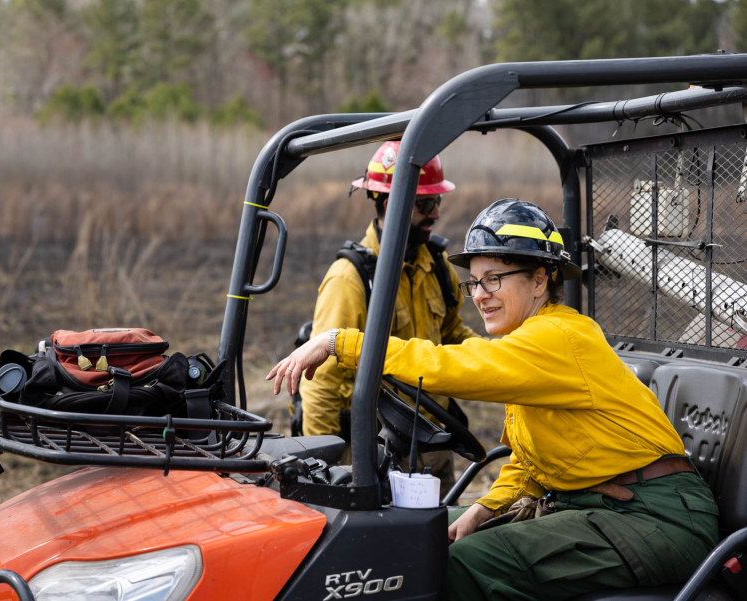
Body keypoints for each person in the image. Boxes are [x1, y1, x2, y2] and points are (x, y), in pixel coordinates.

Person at [268, 198, 718, 601]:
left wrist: (339, 342)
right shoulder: (530, 348)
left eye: (495, 279)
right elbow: (531, 460)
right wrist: (483, 510)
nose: (480, 295)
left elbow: (457, 365)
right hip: (597, 503)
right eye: (475, 282)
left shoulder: (558, 336)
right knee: (418, 535)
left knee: (467, 563)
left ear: (541, 280)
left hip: (655, 516)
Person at [297, 140, 478, 493]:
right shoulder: (350, 278)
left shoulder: (438, 265)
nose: (436, 214)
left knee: (441, 542)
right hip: (371, 455)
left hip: (433, 444)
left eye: (436, 201)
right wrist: (322, 468)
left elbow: (453, 333)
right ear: (388, 204)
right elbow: (320, 382)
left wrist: (502, 357)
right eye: (424, 204)